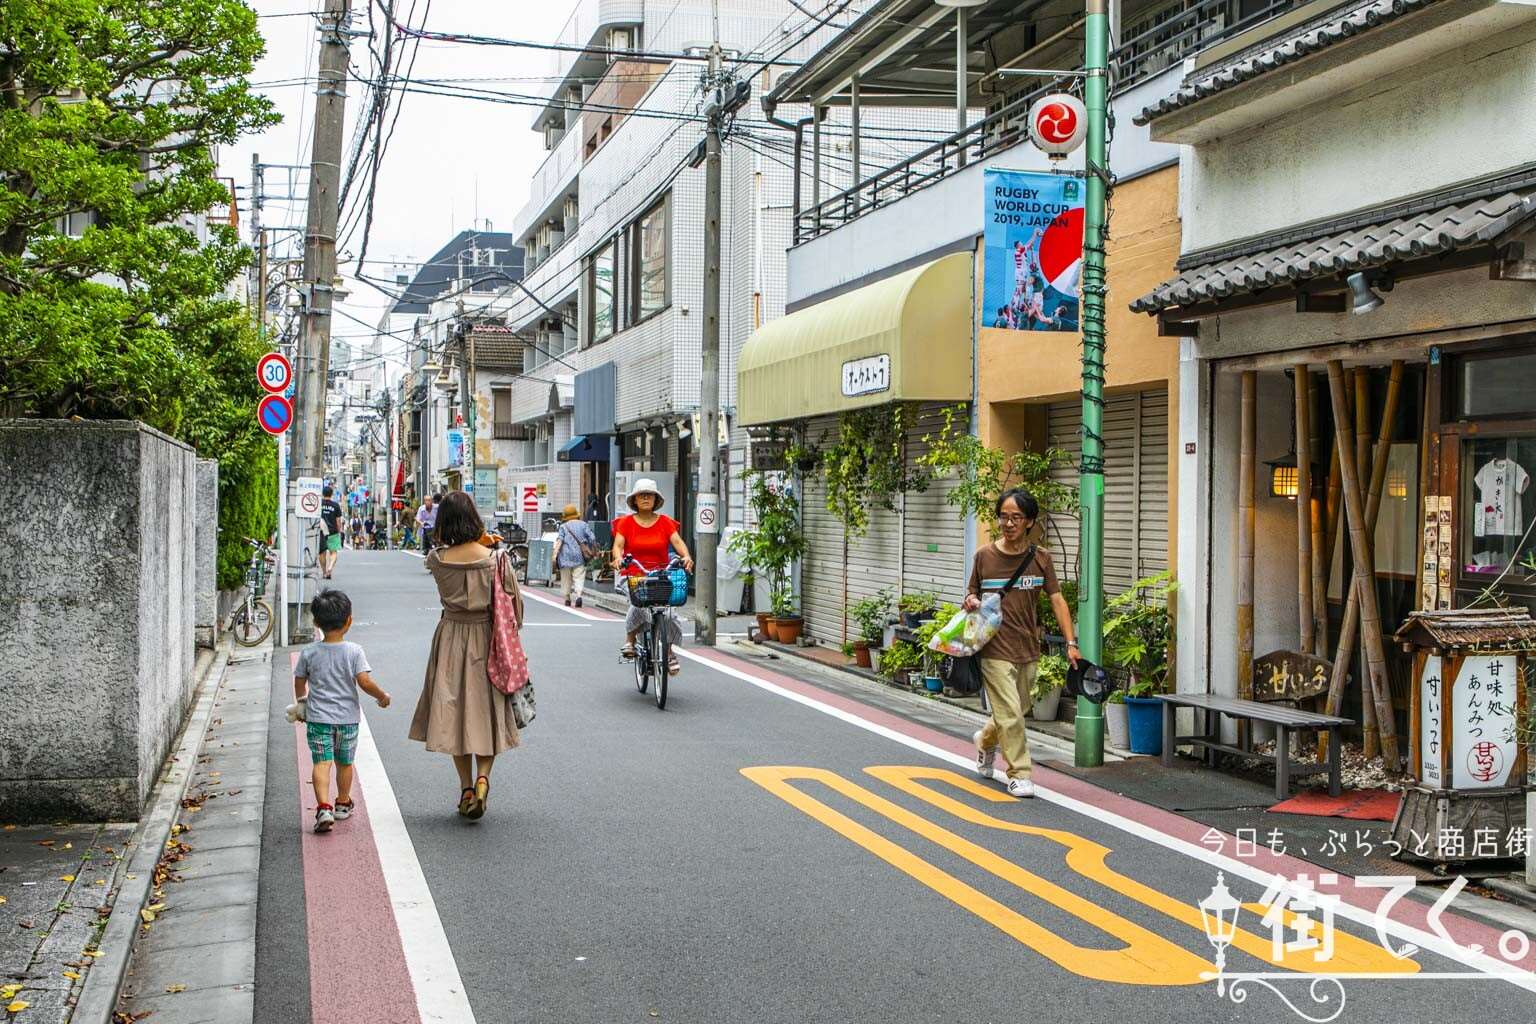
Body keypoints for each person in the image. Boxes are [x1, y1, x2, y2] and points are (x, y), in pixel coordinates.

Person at [408, 491, 524, 820]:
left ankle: (466, 787)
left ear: (442, 521)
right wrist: (486, 542)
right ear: (475, 518)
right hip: (489, 639)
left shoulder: (436, 560)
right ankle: (484, 778)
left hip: (450, 637)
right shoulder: (495, 559)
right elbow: (514, 606)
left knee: (454, 713)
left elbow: (446, 550)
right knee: (488, 713)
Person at [964, 488, 1080, 800]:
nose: (1009, 523)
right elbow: (970, 594)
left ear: (1029, 521)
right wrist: (972, 600)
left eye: (1016, 517)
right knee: (1011, 713)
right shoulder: (984, 557)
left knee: (1018, 709)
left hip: (1028, 646)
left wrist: (1071, 642)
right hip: (994, 646)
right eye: (1004, 516)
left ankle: (985, 741)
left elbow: (1057, 601)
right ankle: (1019, 774)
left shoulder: (1041, 559)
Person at [293, 589, 391, 833]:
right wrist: (382, 696)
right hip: (347, 720)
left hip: (318, 719)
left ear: (316, 622)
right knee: (345, 763)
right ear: (349, 621)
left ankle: (323, 807)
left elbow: (299, 681)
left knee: (321, 762)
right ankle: (343, 803)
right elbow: (365, 682)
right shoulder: (354, 651)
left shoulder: (309, 653)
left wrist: (302, 702)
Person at [611, 478, 693, 674]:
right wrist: (618, 559)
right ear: (635, 500)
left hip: (661, 574)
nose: (646, 497)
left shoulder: (665, 522)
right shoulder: (626, 523)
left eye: (650, 494)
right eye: (641, 495)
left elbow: (678, 543)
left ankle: (669, 651)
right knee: (637, 603)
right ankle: (630, 640)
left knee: (670, 612)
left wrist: (687, 556)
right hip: (634, 574)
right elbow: (618, 546)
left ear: (656, 499)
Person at [552, 504, 598, 608]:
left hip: (565, 557)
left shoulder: (563, 527)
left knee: (566, 578)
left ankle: (567, 598)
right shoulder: (583, 524)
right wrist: (594, 551)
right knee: (579, 576)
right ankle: (578, 596)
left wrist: (554, 554)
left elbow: (560, 540)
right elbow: (592, 538)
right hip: (579, 556)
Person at [318, 485, 344, 579]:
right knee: (333, 552)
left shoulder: (319, 504)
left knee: (322, 553)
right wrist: (339, 530)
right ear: (331, 494)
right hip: (333, 531)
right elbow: (338, 520)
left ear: (322, 494)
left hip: (321, 531)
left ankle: (324, 572)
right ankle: (330, 568)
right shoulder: (335, 505)